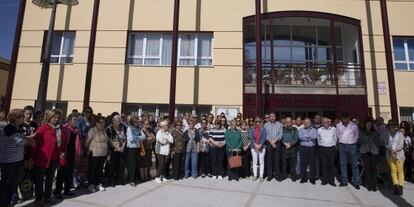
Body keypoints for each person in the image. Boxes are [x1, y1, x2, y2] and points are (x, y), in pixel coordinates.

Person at [0, 109, 34, 207]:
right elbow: (20, 141)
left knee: (12, 184)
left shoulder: (15, 128)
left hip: (16, 160)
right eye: (22, 116)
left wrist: (27, 138)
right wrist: (30, 141)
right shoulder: (9, 128)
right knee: (6, 184)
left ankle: (7, 203)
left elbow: (21, 137)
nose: (24, 117)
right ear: (17, 118)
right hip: (9, 161)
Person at [32, 109, 66, 204]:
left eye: (58, 118)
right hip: (42, 158)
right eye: (54, 117)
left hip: (54, 158)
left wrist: (62, 151)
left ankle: (47, 196)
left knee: (50, 178)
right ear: (49, 117)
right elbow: (35, 143)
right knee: (40, 179)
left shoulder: (60, 129)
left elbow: (62, 143)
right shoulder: (43, 128)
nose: (56, 119)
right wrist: (32, 157)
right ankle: (39, 198)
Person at [55, 113, 81, 198]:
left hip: (73, 154)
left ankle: (67, 190)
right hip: (64, 154)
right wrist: (61, 153)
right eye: (74, 120)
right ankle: (58, 191)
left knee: (70, 173)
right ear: (69, 120)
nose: (76, 121)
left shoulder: (77, 130)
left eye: (77, 120)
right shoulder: (65, 128)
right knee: (61, 173)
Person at [337, 112, 360, 189]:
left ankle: (356, 182)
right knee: (343, 164)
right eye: (343, 118)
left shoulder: (354, 125)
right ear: (341, 118)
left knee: (354, 165)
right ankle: (344, 181)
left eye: (346, 118)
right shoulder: (338, 125)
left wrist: (352, 142)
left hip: (352, 146)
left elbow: (357, 136)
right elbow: (338, 135)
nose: (345, 119)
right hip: (342, 146)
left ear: (349, 118)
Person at [86, 116, 109, 193]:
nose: (103, 124)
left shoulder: (104, 130)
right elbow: (87, 141)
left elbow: (108, 141)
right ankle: (91, 184)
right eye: (101, 122)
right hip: (94, 153)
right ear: (96, 123)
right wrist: (88, 150)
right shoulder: (92, 130)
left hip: (103, 154)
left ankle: (97, 183)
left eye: (104, 122)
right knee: (93, 169)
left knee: (99, 170)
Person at [358, 119, 380, 192]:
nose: (369, 125)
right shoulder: (362, 132)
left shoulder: (375, 132)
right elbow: (359, 141)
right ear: (365, 125)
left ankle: (374, 184)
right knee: (367, 168)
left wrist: (374, 147)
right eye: (367, 124)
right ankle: (369, 184)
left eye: (370, 124)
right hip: (364, 151)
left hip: (374, 152)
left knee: (373, 168)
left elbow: (378, 141)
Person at [386, 120, 406, 195]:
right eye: (390, 125)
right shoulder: (386, 134)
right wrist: (390, 150)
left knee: (400, 171)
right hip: (389, 155)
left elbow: (401, 145)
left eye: (393, 125)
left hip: (399, 155)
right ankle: (396, 186)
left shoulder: (400, 134)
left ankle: (400, 187)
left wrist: (394, 151)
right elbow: (385, 144)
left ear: (395, 127)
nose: (391, 127)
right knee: (393, 171)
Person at [107, 114, 127, 187]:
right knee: (113, 166)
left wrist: (123, 146)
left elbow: (125, 137)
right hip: (113, 150)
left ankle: (120, 180)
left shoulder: (123, 127)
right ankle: (111, 181)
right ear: (113, 121)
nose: (118, 122)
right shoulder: (109, 128)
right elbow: (109, 140)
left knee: (121, 165)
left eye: (119, 120)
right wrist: (117, 147)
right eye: (116, 120)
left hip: (122, 149)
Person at [126, 116, 146, 186]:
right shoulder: (129, 128)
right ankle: (131, 180)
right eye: (135, 121)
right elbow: (131, 139)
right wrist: (139, 138)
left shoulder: (138, 128)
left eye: (137, 121)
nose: (137, 123)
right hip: (131, 148)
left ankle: (134, 179)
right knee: (132, 164)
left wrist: (137, 138)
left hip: (137, 148)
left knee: (137, 163)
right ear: (132, 122)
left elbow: (144, 137)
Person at [317, 117, 337, 186]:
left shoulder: (333, 129)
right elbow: (318, 139)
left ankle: (331, 180)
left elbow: (335, 138)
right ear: (322, 123)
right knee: (324, 165)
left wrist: (333, 145)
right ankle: (324, 180)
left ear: (329, 122)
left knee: (331, 165)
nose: (325, 123)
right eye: (324, 122)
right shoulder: (319, 130)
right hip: (322, 149)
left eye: (326, 122)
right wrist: (321, 145)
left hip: (331, 149)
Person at [263, 112, 283, 181]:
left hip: (277, 143)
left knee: (277, 160)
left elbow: (280, 135)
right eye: (271, 116)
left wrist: (275, 141)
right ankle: (270, 175)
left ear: (275, 117)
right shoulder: (266, 125)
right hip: (269, 143)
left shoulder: (280, 125)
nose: (272, 117)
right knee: (269, 160)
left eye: (273, 116)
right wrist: (271, 142)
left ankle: (277, 175)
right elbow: (265, 135)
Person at [298, 118, 317, 184]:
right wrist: (309, 137)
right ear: (303, 123)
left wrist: (305, 137)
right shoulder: (301, 129)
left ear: (310, 123)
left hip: (311, 149)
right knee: (303, 164)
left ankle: (312, 179)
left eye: (308, 122)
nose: (306, 123)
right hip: (303, 148)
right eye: (305, 122)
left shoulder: (314, 129)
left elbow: (314, 137)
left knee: (312, 164)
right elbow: (300, 137)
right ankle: (303, 178)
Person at [281, 117, 299, 181]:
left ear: (291, 122)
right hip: (284, 147)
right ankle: (284, 175)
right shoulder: (282, 129)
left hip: (292, 148)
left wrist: (290, 144)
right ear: (285, 122)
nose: (288, 123)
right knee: (284, 162)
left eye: (289, 121)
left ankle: (293, 176)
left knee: (292, 162)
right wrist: (285, 143)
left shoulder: (295, 129)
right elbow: (280, 137)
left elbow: (296, 138)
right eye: (287, 121)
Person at [249, 117, 266, 181]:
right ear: (255, 122)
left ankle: (261, 176)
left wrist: (260, 145)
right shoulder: (252, 129)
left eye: (259, 121)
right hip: (254, 147)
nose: (258, 123)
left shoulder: (263, 129)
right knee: (255, 162)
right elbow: (251, 137)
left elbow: (264, 137)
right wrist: (255, 145)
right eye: (256, 121)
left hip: (262, 147)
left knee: (261, 162)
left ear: (261, 122)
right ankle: (255, 175)